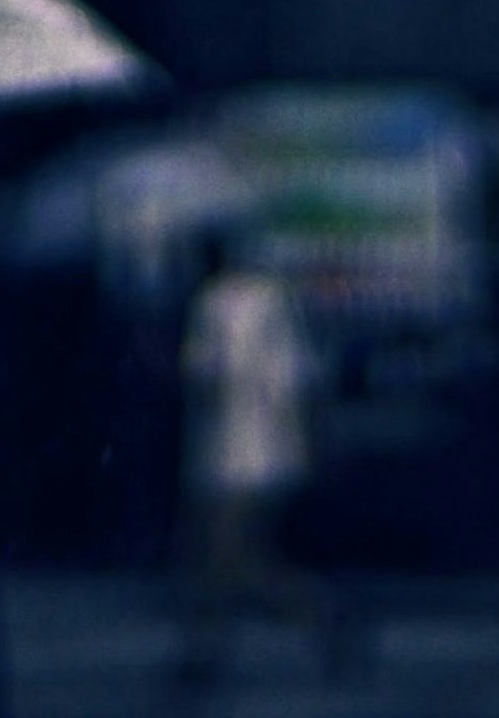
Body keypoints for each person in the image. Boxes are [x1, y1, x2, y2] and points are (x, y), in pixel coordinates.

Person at [173, 233, 317, 681]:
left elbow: (205, 373)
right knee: (231, 558)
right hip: (273, 449)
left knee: (227, 559)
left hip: (226, 455)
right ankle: (205, 654)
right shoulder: (270, 299)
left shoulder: (212, 304)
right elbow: (294, 376)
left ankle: (321, 616)